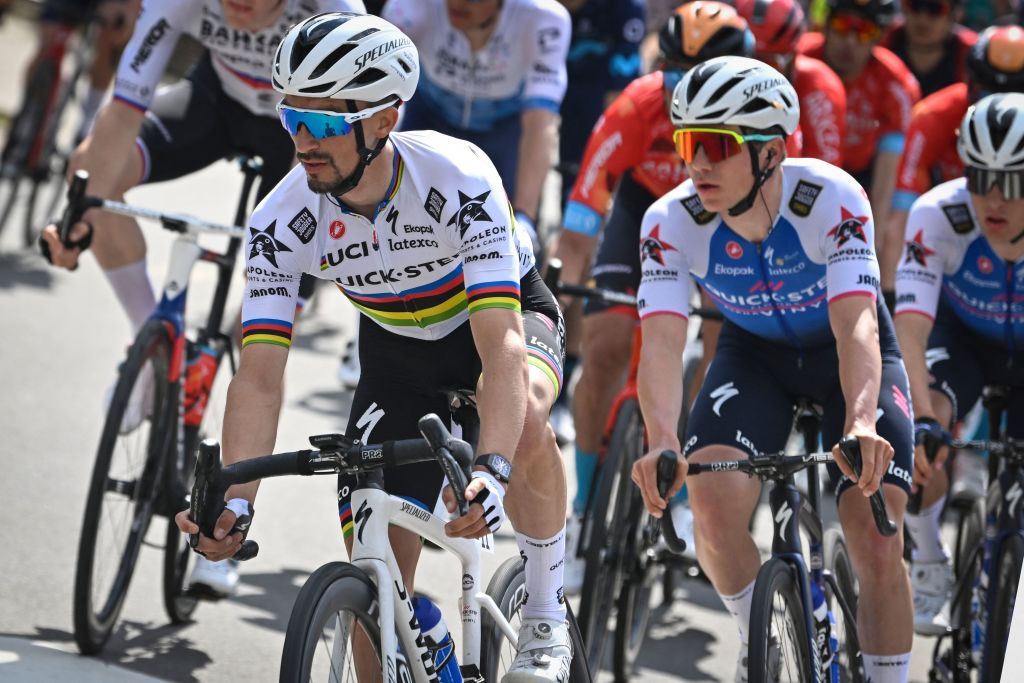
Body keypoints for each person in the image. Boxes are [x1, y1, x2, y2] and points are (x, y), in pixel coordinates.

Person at [173, 12, 575, 682]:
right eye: (292, 118)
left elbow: (501, 345)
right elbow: (261, 376)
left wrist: (494, 468)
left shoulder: (458, 176)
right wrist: (236, 498)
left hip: (498, 327)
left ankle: (543, 613)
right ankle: (414, 639)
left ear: (384, 120)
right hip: (397, 355)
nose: (305, 141)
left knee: (526, 415)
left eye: (326, 123)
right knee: (375, 581)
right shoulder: (280, 219)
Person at [39, 0, 367, 599]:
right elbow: (122, 110)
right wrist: (80, 212)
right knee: (91, 167)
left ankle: (229, 522)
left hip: (303, 135)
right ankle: (162, 355)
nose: (237, 8)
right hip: (214, 102)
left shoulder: (335, 9)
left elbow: (362, 135)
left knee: (260, 338)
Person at [632, 56, 915, 682]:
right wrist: (661, 440)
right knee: (708, 497)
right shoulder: (670, 222)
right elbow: (659, 344)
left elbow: (856, 326)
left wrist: (863, 419)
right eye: (686, 143)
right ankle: (767, 634)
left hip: (844, 353)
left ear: (770, 153)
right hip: (753, 354)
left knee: (873, 531)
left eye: (714, 145)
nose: (696, 163)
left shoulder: (833, 199)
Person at [551, 0, 757, 591]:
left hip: (726, 221)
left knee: (722, 349)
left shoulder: (757, 116)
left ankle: (686, 485)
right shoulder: (638, 104)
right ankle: (586, 509)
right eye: (672, 73)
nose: (679, 90)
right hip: (647, 212)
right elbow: (587, 205)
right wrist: (568, 288)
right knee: (608, 342)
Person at [894, 92, 1024, 636]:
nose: (991, 198)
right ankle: (925, 560)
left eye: (1012, 182)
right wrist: (924, 419)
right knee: (917, 428)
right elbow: (910, 328)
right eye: (978, 177)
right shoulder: (938, 214)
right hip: (961, 338)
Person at [882, 24, 1024, 307]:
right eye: (988, 94)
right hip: (957, 238)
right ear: (969, 83)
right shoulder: (932, 115)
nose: (998, 108)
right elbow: (902, 215)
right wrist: (890, 298)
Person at [799, 0, 920, 285]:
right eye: (842, 26)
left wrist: (871, 242)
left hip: (865, 178)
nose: (849, 42)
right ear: (826, 24)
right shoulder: (799, 56)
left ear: (879, 36)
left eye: (863, 31)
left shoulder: (896, 82)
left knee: (891, 225)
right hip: (801, 170)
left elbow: (889, 173)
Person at [733, 0, 847, 167]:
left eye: (770, 65)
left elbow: (825, 174)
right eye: (748, 62)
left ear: (793, 56)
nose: (755, 75)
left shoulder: (819, 87)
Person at [880, 0, 976, 99]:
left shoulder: (973, 54)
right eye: (914, 5)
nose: (922, 19)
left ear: (955, 14)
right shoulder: (879, 41)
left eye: (935, 9)